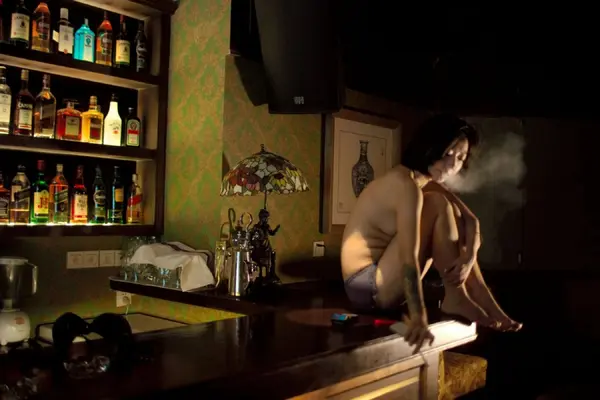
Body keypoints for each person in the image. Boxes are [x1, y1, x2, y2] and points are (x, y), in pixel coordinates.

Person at [341, 114, 522, 352]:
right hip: (367, 286)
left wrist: (468, 258)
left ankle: (482, 298)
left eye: (461, 157)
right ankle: (457, 296)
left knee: (449, 209)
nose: (453, 165)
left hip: (384, 278)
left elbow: (471, 221)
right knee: (437, 204)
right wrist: (418, 315)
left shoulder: (424, 181)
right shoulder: (406, 185)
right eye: (448, 154)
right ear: (429, 147)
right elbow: (408, 257)